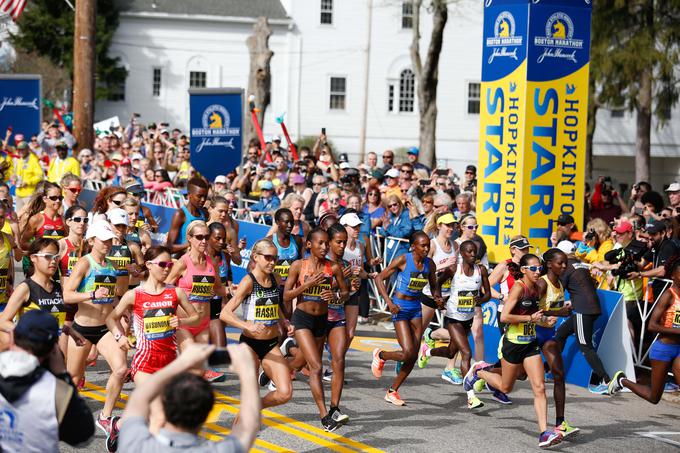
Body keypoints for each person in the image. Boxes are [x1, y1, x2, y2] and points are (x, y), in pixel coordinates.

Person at [469, 254, 563, 449]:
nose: (539, 272)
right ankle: (478, 372)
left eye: (540, 269)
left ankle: (544, 433)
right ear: (524, 270)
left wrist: (544, 321)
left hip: (530, 344)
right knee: (505, 388)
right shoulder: (519, 288)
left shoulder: (538, 288)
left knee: (539, 387)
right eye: (534, 269)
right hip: (512, 343)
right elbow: (504, 316)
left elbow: (534, 316)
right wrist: (530, 319)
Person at [106, 246, 199, 436]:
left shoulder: (175, 293)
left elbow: (195, 316)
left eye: (170, 265)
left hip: (169, 362)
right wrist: (119, 336)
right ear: (148, 265)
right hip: (144, 364)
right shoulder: (135, 295)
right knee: (159, 417)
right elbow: (111, 318)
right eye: (162, 264)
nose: (167, 269)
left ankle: (119, 425)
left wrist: (181, 321)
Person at [118, 343, 261, 453]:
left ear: (164, 405)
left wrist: (182, 362)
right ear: (206, 414)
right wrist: (247, 370)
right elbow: (249, 425)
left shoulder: (135, 444)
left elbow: (139, 398)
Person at [63, 219, 127, 444]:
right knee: (73, 377)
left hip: (103, 329)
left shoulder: (110, 266)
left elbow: (109, 306)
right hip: (81, 330)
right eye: (104, 240)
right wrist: (91, 295)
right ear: (91, 241)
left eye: (110, 240)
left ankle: (106, 416)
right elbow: (67, 295)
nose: (108, 244)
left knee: (121, 369)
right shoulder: (84, 263)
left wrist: (119, 332)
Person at [0, 310, 94, 452]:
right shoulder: (56, 391)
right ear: (53, 350)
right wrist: (63, 376)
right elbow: (83, 437)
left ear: (12, 337)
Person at [283, 228, 348, 431]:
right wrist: (306, 285)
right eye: (320, 243)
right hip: (302, 319)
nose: (324, 247)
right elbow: (286, 296)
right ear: (309, 245)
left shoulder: (333, 267)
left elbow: (345, 291)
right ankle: (324, 417)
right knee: (316, 367)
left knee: (301, 361)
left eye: (326, 243)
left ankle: (280, 369)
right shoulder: (298, 266)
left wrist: (335, 296)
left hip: (322, 320)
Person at [220, 238, 293, 410]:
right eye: (268, 257)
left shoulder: (276, 277)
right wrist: (248, 326)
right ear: (255, 257)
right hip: (250, 345)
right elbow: (225, 314)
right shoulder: (249, 281)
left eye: (275, 258)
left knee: (285, 392)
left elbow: (274, 304)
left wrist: (284, 320)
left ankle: (256, 407)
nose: (272, 262)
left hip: (270, 344)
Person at [371, 231, 441, 406]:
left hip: (416, 309)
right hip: (400, 308)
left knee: (412, 356)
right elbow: (380, 278)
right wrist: (389, 303)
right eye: (423, 245)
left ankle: (392, 391)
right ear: (413, 246)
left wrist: (438, 298)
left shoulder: (429, 265)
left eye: (428, 245)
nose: (426, 248)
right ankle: (381, 355)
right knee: (407, 352)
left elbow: (434, 287)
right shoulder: (404, 259)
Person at [418, 240, 490, 410]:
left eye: (475, 252)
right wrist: (438, 299)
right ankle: (471, 397)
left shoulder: (482, 271)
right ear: (462, 254)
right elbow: (436, 284)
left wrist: (482, 299)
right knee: (466, 352)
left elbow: (487, 294)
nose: (473, 255)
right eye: (470, 252)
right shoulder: (454, 270)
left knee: (451, 351)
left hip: (468, 317)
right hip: (453, 317)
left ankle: (427, 351)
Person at [608, 256, 680, 401]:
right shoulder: (668, 295)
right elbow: (652, 325)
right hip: (664, 349)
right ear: (673, 275)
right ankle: (622, 381)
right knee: (654, 397)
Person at [165, 220, 229, 382]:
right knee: (194, 365)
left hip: (203, 324)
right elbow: (167, 287)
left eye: (206, 237)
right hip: (184, 323)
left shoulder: (211, 263)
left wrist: (233, 290)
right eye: (199, 237)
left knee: (198, 370)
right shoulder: (182, 263)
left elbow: (219, 289)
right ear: (190, 238)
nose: (204, 241)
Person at [554, 240, 614, 395]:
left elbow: (557, 287)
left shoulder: (566, 268)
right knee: (561, 333)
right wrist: (573, 301)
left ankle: (606, 380)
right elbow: (585, 287)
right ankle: (554, 368)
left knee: (585, 346)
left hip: (583, 309)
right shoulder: (580, 264)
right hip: (590, 307)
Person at [535, 249, 580, 438]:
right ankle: (481, 372)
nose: (564, 266)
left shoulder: (560, 283)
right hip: (531, 334)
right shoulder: (541, 283)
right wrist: (558, 313)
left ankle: (560, 423)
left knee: (559, 374)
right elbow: (528, 308)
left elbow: (553, 308)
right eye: (560, 263)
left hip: (548, 336)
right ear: (549, 264)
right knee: (515, 377)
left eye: (565, 263)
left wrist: (563, 308)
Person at [419, 213, 458, 382]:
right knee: (416, 332)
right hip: (430, 293)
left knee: (458, 334)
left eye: (452, 225)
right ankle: (406, 356)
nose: (450, 228)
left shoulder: (455, 245)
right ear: (439, 226)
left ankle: (450, 368)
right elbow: (423, 270)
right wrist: (443, 266)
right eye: (447, 225)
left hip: (449, 295)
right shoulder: (432, 245)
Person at [166, 178, 209, 254]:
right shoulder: (180, 214)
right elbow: (169, 247)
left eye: (205, 197)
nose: (203, 200)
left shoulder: (204, 213)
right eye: (199, 196)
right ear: (189, 195)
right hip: (182, 260)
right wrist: (190, 244)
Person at [206, 222, 230, 348]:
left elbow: (225, 279)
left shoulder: (224, 255)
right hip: (198, 309)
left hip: (216, 308)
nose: (221, 242)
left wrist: (225, 299)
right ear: (208, 237)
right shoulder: (199, 257)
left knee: (220, 351)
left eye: (224, 239)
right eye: (217, 238)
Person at [13, 141, 44, 211]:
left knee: (29, 216)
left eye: (22, 149)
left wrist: (28, 182)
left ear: (27, 149)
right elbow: (16, 173)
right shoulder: (19, 160)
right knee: (19, 217)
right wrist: (14, 178)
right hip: (18, 193)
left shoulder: (33, 160)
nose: (20, 151)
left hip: (29, 194)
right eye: (19, 149)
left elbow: (40, 176)